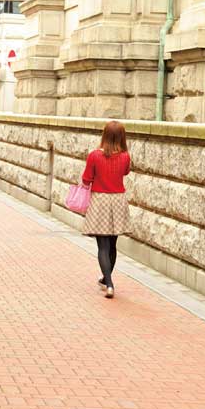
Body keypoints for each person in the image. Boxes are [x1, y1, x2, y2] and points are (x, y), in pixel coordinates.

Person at [82, 120, 131, 299]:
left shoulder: (94, 156)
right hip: (118, 200)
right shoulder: (125, 156)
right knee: (112, 245)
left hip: (100, 201)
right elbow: (125, 172)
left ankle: (109, 284)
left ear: (104, 135)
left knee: (102, 245)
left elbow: (86, 179)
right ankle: (106, 279)